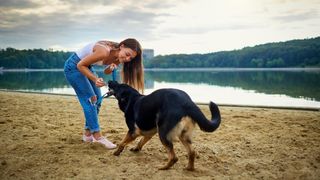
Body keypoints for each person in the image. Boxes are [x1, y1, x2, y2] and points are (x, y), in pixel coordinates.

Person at [64, 38, 144, 149]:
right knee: (91, 101)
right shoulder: (104, 51)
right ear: (122, 46)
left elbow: (106, 71)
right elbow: (80, 65)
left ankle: (88, 134)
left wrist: (111, 68)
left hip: (87, 67)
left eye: (131, 58)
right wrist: (95, 79)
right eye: (127, 54)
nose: (127, 59)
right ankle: (98, 136)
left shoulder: (120, 57)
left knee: (97, 101)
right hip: (73, 66)